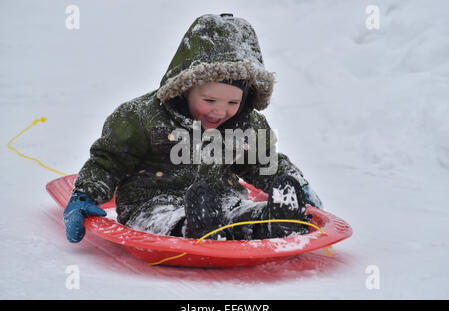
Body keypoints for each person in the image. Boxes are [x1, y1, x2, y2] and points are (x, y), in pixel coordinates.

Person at [63, 13, 323, 243]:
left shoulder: (246, 125)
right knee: (163, 219)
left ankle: (273, 222)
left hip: (221, 198)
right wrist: (86, 194)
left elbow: (263, 162)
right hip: (152, 200)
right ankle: (193, 227)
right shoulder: (141, 117)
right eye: (209, 100)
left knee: (238, 213)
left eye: (233, 102)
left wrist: (298, 184)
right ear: (184, 88)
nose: (219, 111)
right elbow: (108, 161)